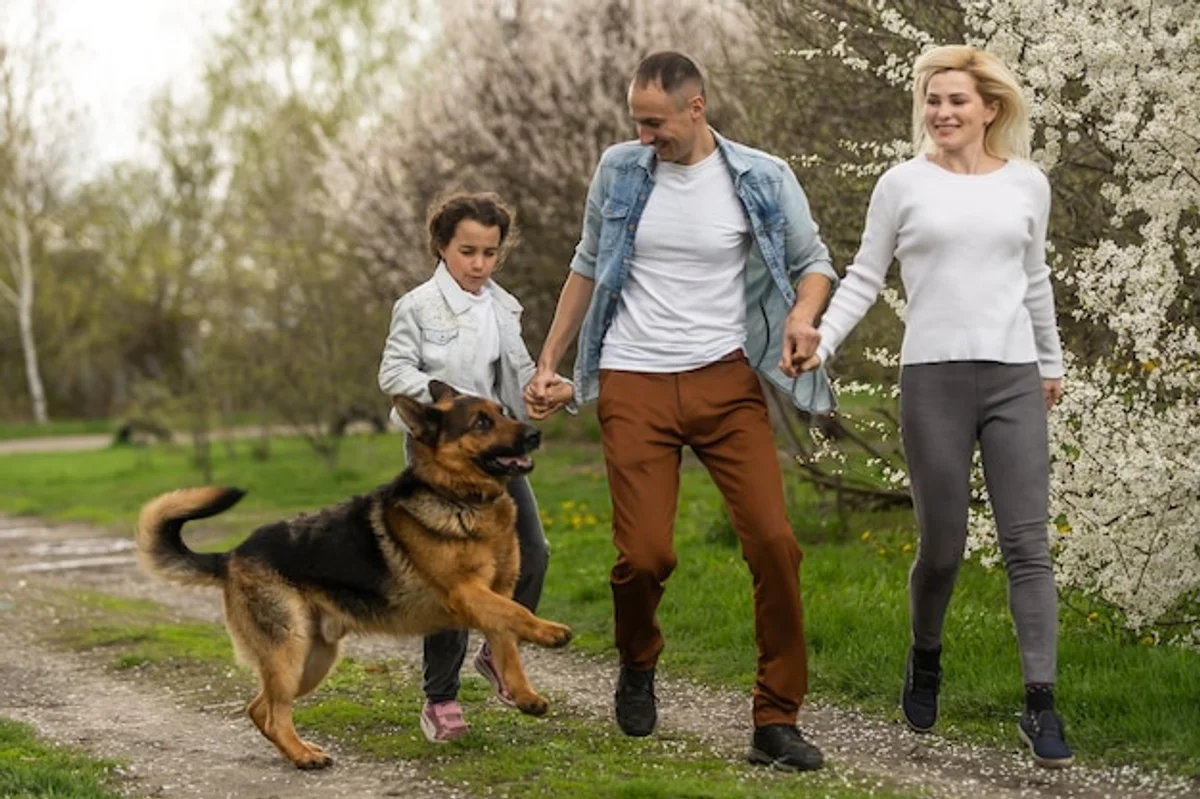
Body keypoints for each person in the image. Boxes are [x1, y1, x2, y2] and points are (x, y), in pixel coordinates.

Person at [527, 51, 837, 772]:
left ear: (696, 108)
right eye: (636, 119)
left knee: (773, 541)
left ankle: (775, 717)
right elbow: (585, 260)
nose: (643, 134)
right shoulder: (620, 170)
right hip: (632, 378)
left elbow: (813, 260)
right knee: (644, 556)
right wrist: (549, 360)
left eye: (655, 121)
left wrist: (804, 316)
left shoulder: (760, 176)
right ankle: (638, 659)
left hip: (725, 383)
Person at [792, 44, 1073, 768]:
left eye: (956, 101)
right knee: (942, 546)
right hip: (933, 380)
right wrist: (822, 341)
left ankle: (1040, 700)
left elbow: (1034, 276)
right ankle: (925, 654)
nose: (942, 112)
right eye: (932, 100)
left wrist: (1051, 360)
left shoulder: (1027, 185)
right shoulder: (901, 184)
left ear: (990, 108)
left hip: (1013, 375)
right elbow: (863, 275)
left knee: (1027, 544)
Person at [378, 190, 574, 744]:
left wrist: (548, 390)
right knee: (452, 582)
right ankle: (440, 700)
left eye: (490, 252)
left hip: (493, 459)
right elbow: (393, 373)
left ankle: (497, 651)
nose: (480, 264)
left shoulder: (503, 308)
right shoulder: (417, 307)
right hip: (438, 459)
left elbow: (515, 379)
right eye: (468, 251)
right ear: (442, 247)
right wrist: (450, 407)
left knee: (532, 554)